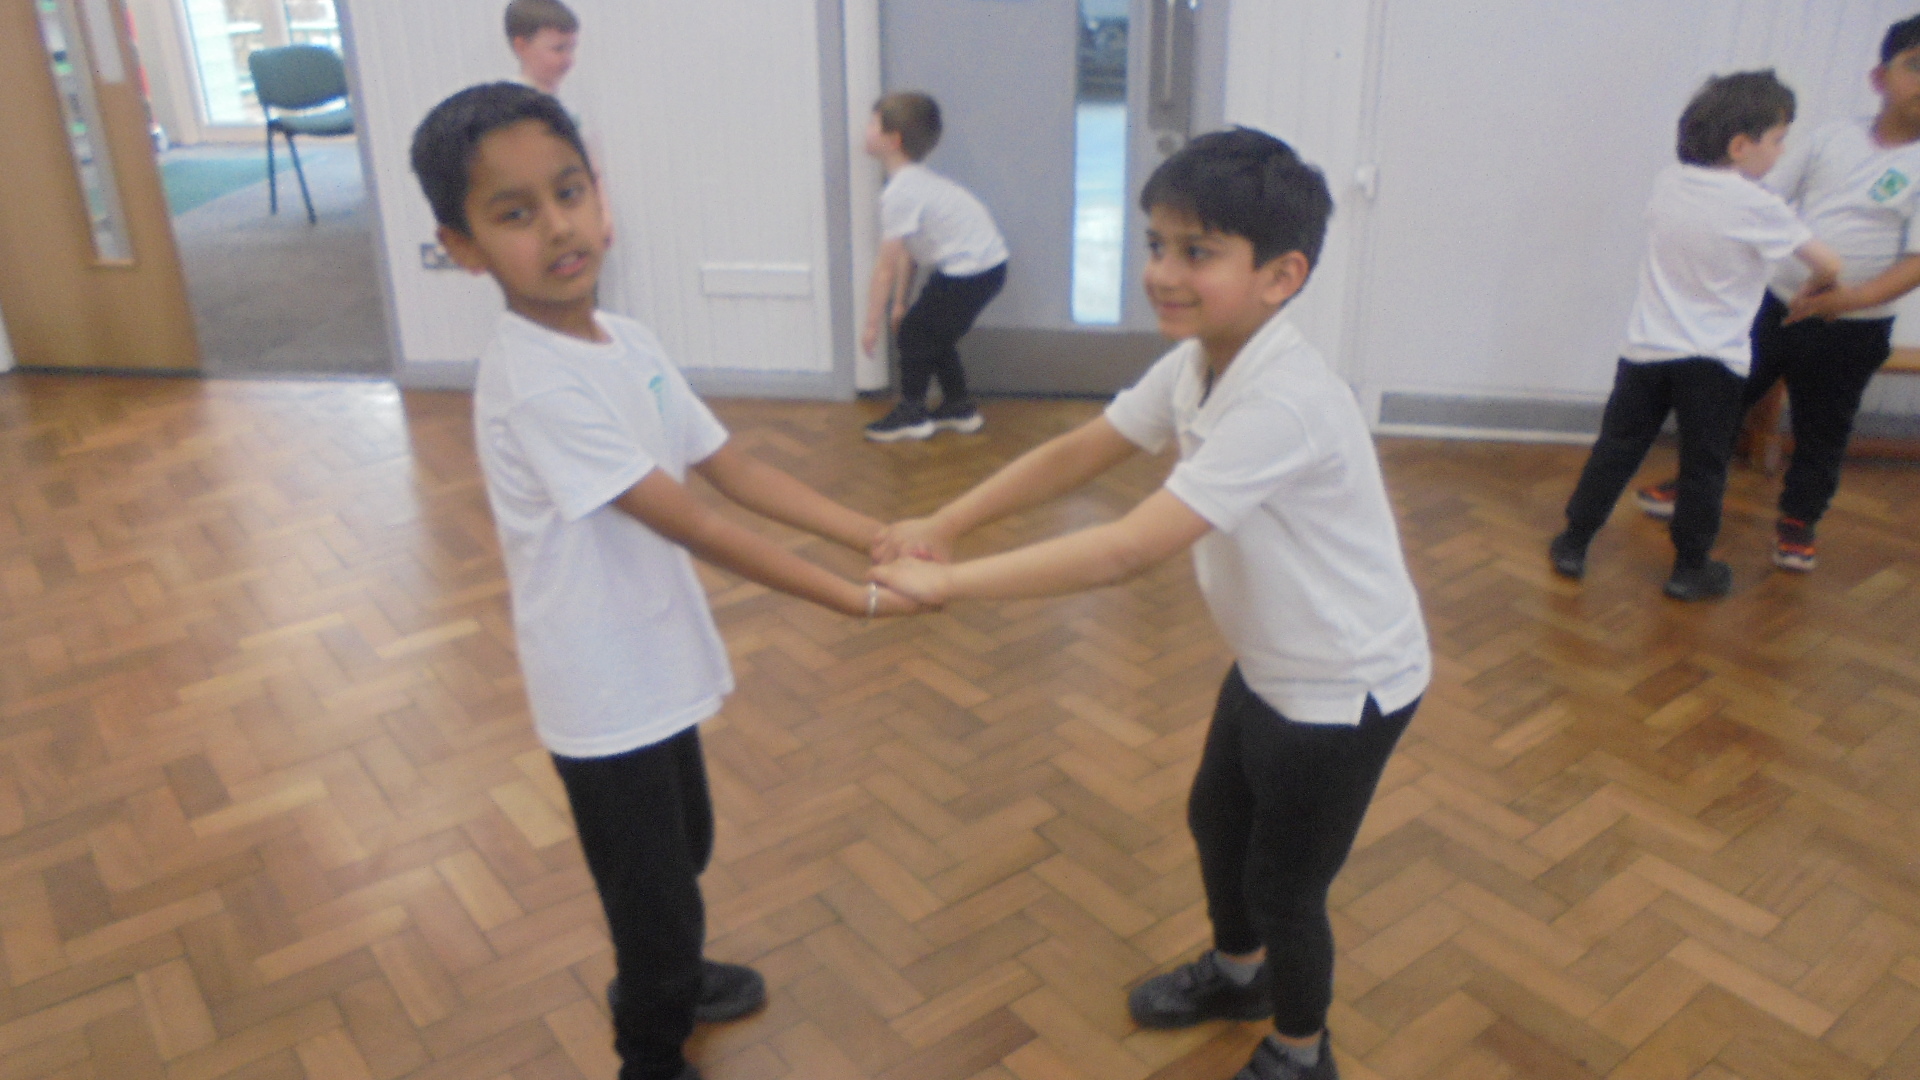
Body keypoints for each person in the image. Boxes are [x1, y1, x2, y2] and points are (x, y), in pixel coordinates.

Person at [872, 128, 1430, 1080]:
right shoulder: (1200, 361)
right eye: (1156, 244)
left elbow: (1127, 549)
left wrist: (951, 584)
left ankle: (1302, 1052)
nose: (1163, 272)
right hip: (1273, 659)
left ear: (1281, 275)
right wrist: (948, 522)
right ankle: (1238, 975)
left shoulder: (1284, 401)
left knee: (1286, 886)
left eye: (1197, 251)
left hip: (1345, 685)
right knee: (1217, 820)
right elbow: (1080, 451)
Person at [409, 83, 918, 1080]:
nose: (558, 226)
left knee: (685, 847)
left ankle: (673, 970)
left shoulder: (626, 342)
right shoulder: (534, 381)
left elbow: (731, 468)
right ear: (463, 247)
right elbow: (694, 522)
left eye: (569, 192)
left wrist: (876, 534)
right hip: (602, 693)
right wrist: (853, 598)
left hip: (655, 655)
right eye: (514, 213)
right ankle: (650, 1046)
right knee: (651, 899)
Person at [1637, 15, 1920, 573]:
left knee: (1823, 429)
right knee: (1724, 398)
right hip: (1775, 304)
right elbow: (1765, 200)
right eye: (1915, 66)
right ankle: (1693, 482)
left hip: (1853, 326)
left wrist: (1845, 299)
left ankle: (1798, 521)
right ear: (1879, 78)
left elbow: (1915, 264)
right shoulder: (1832, 138)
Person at [1549, 71, 1840, 601]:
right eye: (1778, 140)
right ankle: (1690, 568)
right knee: (1704, 467)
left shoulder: (1670, 181)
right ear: (1740, 145)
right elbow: (1829, 263)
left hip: (1646, 351)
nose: (1781, 153)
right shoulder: (1758, 205)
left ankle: (1574, 542)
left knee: (1616, 449)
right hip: (1714, 362)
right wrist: (1815, 288)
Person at [860, 92, 1010, 442]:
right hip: (982, 268)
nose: (865, 129)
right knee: (931, 332)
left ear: (893, 140)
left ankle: (912, 414)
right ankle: (959, 408)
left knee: (915, 334)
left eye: (872, 123)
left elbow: (885, 268)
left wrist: (871, 325)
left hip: (973, 271)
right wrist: (900, 304)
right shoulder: (912, 183)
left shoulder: (901, 192)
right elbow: (909, 253)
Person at [505, 0, 578, 97]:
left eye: (571, 49)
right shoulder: (507, 104)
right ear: (522, 46)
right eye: (558, 49)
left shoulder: (559, 102)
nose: (568, 60)